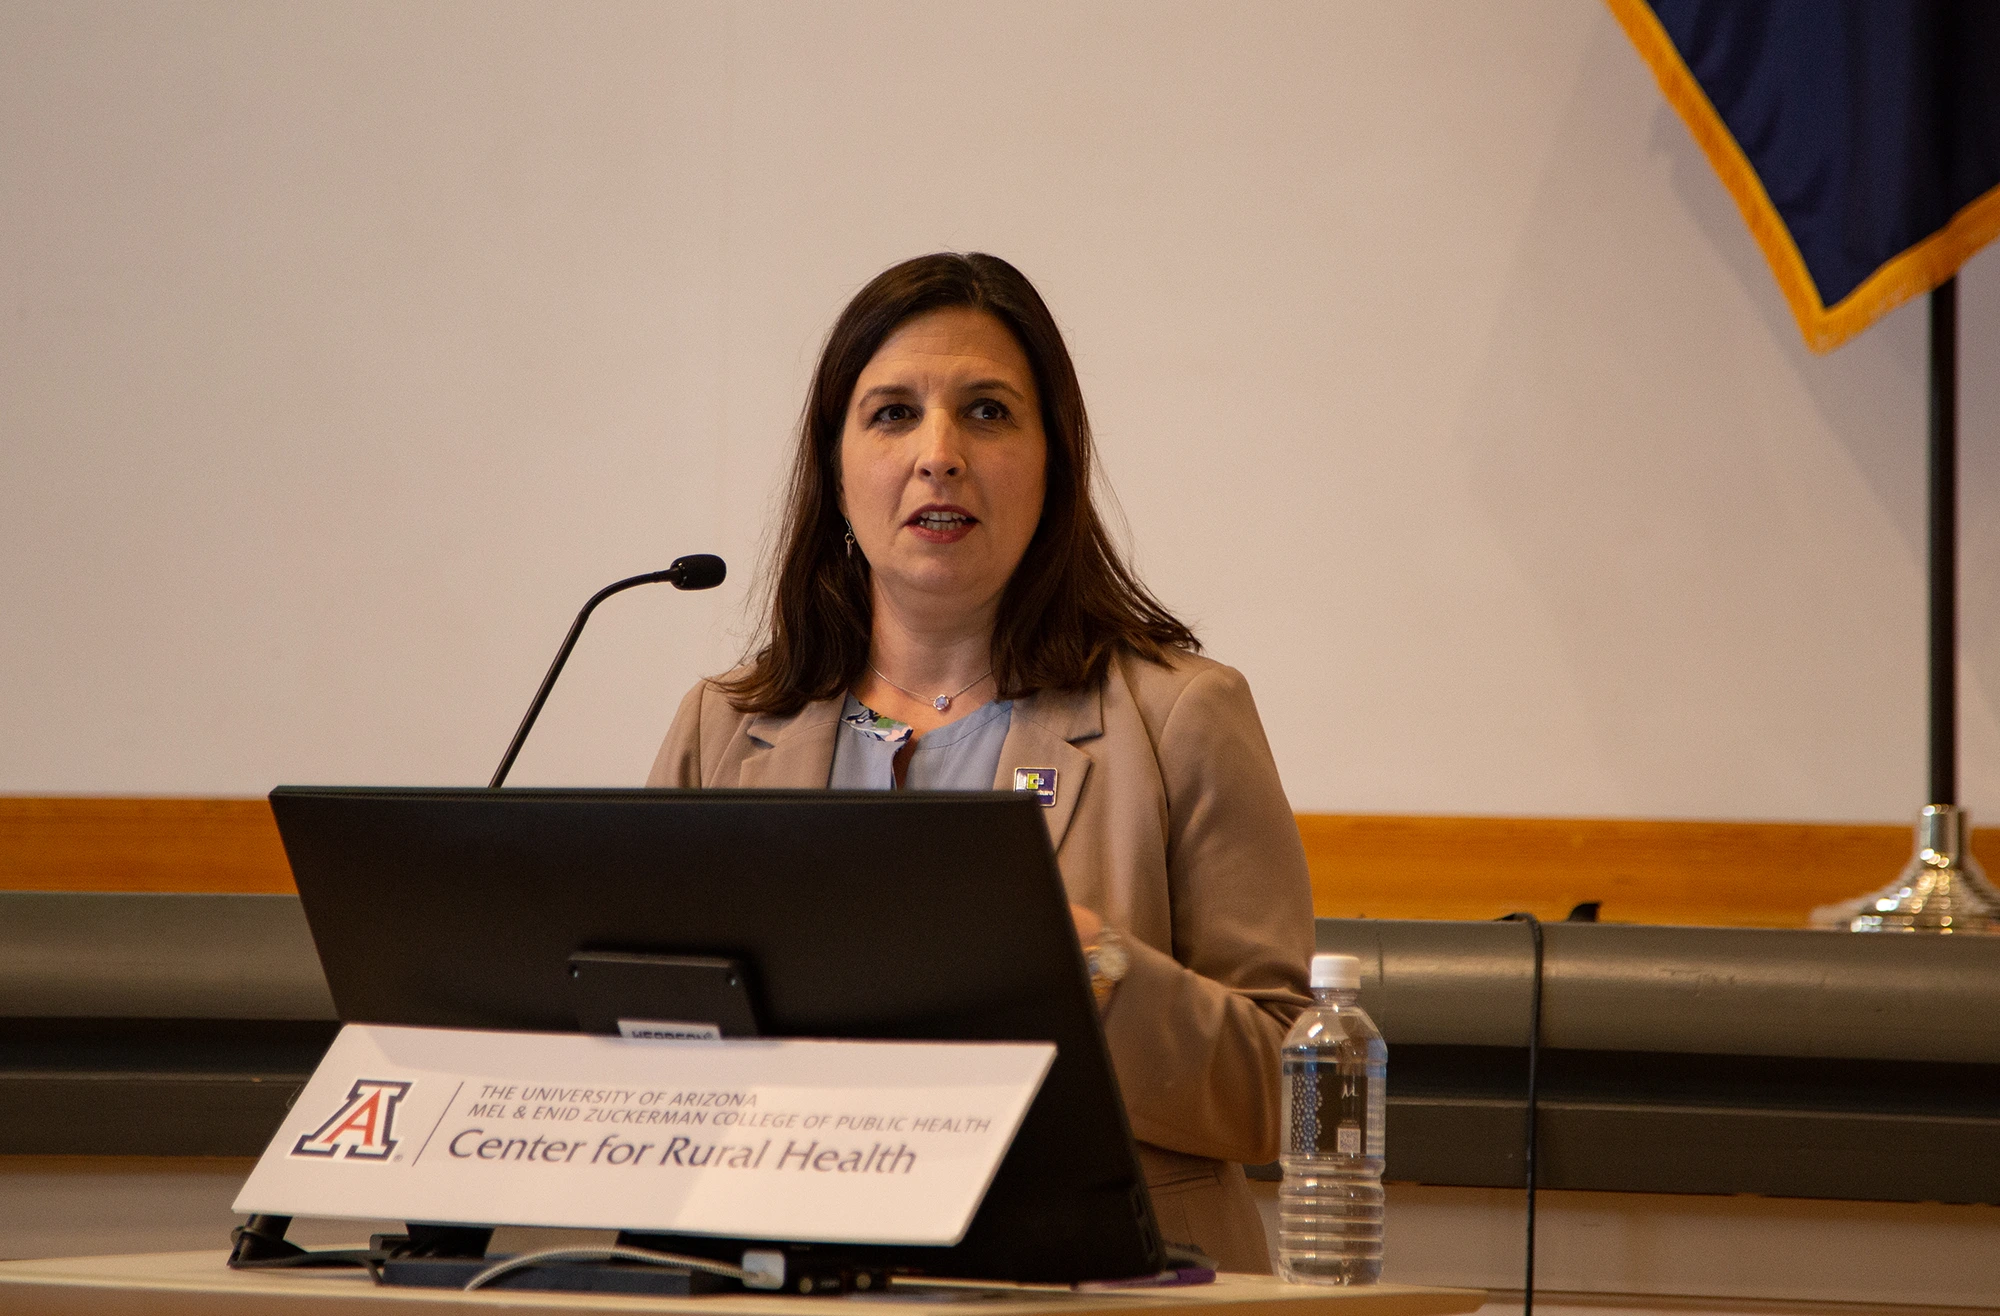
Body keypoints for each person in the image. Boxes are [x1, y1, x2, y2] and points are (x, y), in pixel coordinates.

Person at [649, 253, 1314, 1272]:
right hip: (784, 1282)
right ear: (834, 470)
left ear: (1052, 462)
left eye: (988, 411)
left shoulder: (1179, 715)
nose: (938, 453)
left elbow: (1288, 1088)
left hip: (1103, 1286)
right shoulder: (726, 728)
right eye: (891, 414)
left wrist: (1095, 965)